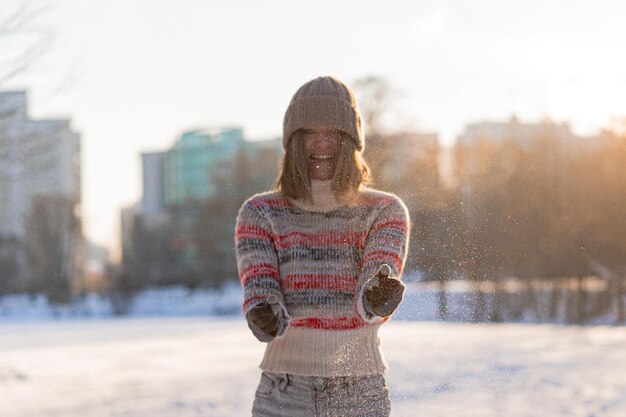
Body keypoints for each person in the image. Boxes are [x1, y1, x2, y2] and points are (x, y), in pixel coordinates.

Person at [235, 76, 410, 417]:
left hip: (357, 390)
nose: (321, 143)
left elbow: (374, 290)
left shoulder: (384, 211)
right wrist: (263, 314)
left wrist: (378, 295)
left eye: (332, 132)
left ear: (351, 140)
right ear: (293, 142)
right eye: (310, 133)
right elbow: (260, 290)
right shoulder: (260, 214)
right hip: (284, 391)